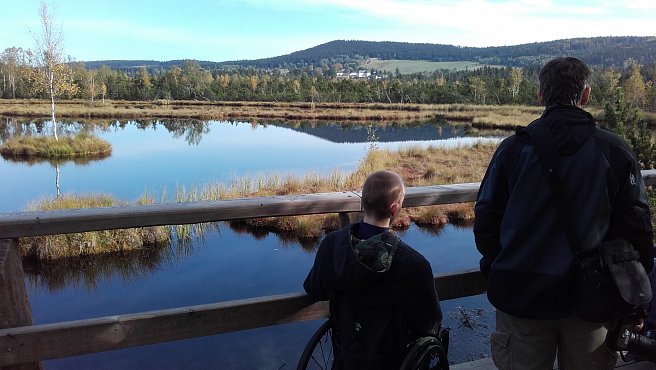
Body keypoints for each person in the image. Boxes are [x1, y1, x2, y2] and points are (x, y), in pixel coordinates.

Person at [474, 56, 654, 370]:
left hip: (521, 293)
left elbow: (486, 220)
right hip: (590, 298)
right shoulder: (614, 151)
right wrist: (632, 293)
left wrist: (499, 264)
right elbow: (636, 228)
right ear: (585, 95)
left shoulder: (512, 150)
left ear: (541, 96)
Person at [304, 170, 443, 369]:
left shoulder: (332, 246)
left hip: (346, 356)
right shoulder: (413, 265)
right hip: (393, 360)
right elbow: (429, 323)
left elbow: (315, 289)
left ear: (362, 203)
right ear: (394, 209)